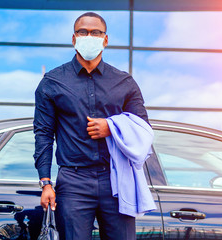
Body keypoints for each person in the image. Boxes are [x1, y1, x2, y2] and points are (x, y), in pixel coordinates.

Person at [33, 12, 148, 240]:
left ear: (105, 39)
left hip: (116, 179)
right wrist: (46, 182)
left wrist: (112, 127)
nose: (89, 36)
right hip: (73, 182)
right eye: (83, 32)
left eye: (96, 32)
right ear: (74, 38)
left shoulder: (124, 82)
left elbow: (143, 128)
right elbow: (43, 134)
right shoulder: (52, 82)